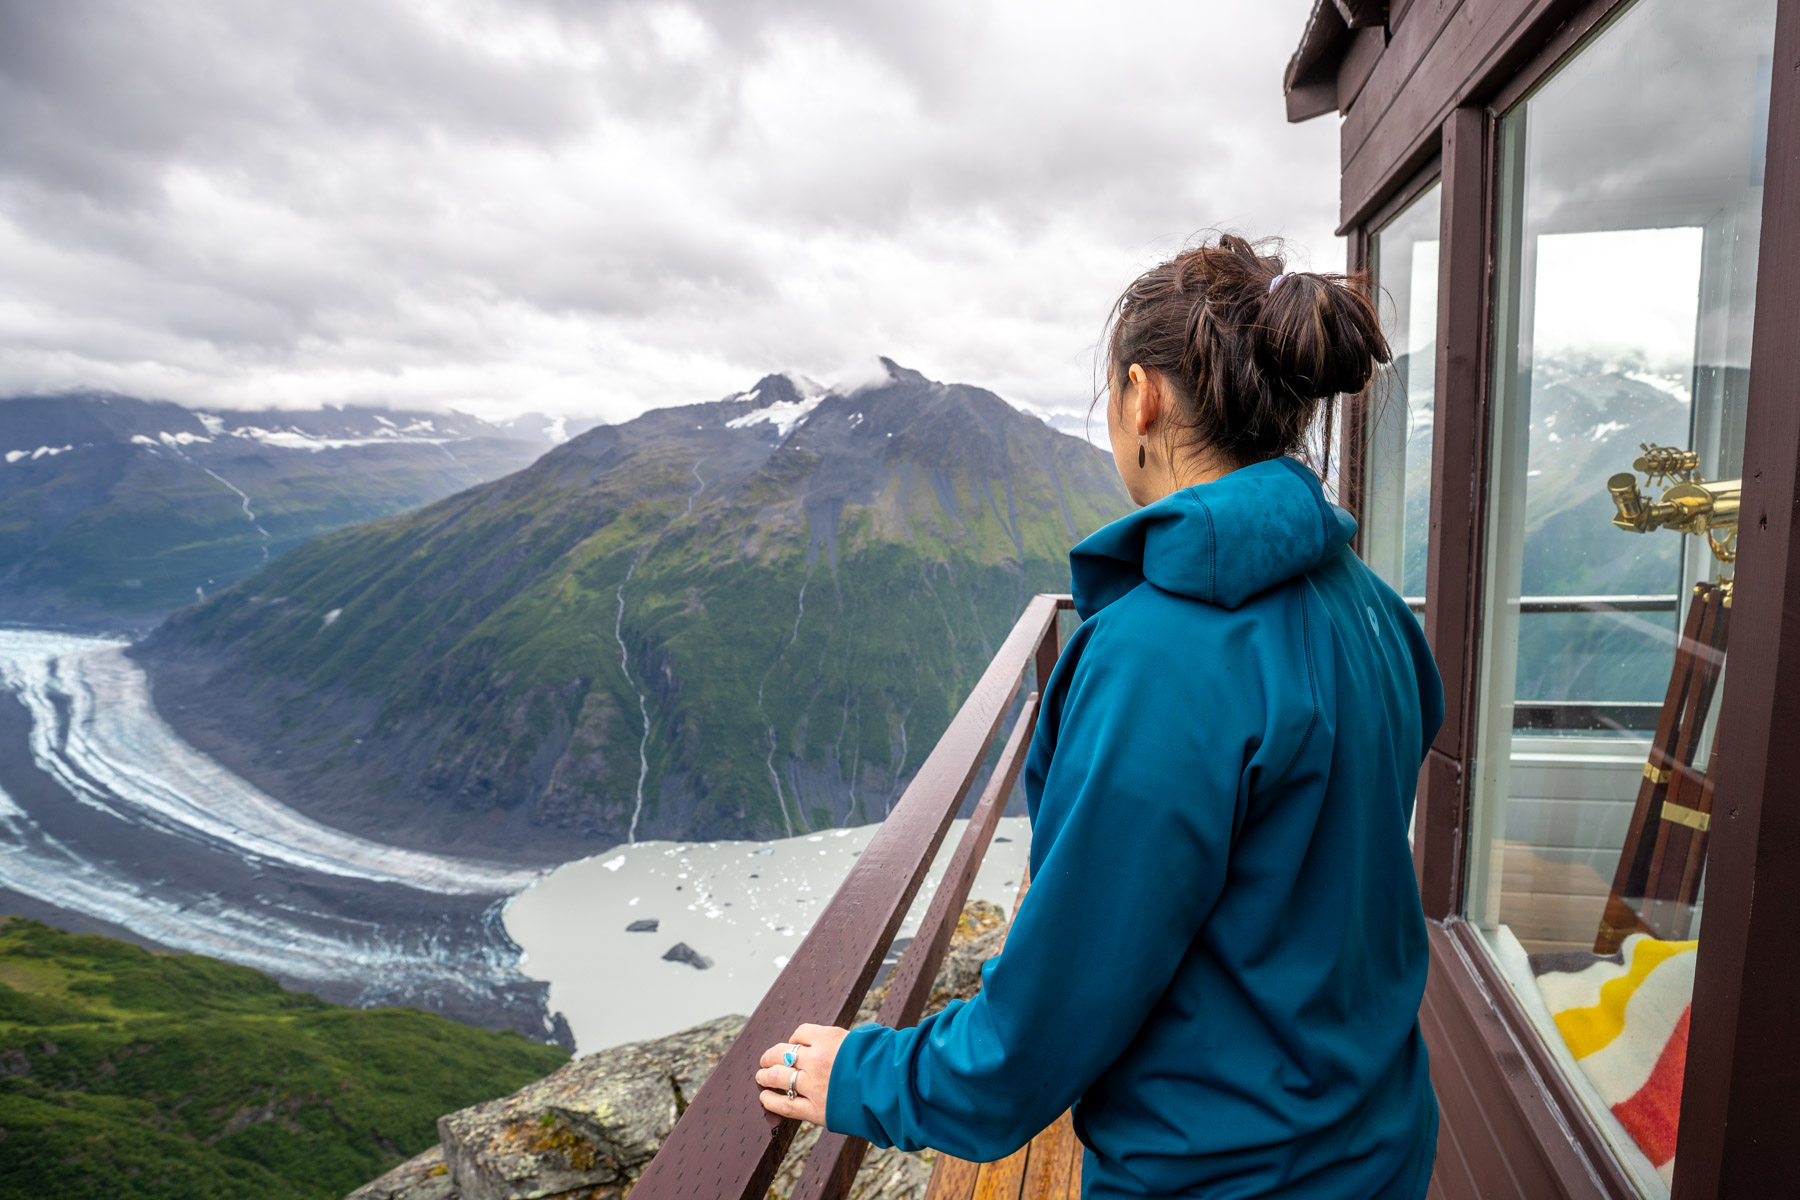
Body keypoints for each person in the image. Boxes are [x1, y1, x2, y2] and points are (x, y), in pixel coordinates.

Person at [754, 234, 1443, 1199]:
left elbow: (1043, 1023)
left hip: (1221, 1174)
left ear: (1141, 396)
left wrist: (866, 1075)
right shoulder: (1363, 601)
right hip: (1377, 1136)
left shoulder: (1160, 659)